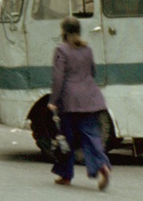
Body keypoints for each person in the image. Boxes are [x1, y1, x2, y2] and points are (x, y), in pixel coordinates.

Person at [48, 17, 112, 190]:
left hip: (69, 100)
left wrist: (53, 100)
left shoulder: (61, 49)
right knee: (92, 135)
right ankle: (102, 166)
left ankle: (66, 175)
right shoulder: (87, 48)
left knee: (66, 139)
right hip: (90, 97)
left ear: (64, 31)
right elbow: (93, 71)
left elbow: (58, 77)